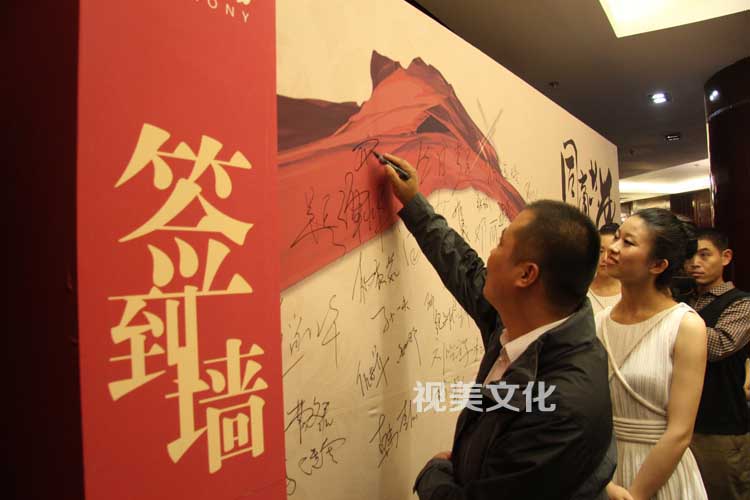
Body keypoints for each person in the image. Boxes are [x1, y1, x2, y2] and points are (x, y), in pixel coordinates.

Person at [382, 154, 615, 500]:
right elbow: (464, 267)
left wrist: (434, 475)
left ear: (526, 275)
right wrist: (415, 203)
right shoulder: (527, 322)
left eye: (501, 242)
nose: (490, 255)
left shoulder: (559, 405)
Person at [595, 208, 708, 500]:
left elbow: (680, 432)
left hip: (660, 473)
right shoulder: (599, 323)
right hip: (606, 472)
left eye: (628, 242)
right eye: (617, 238)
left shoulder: (685, 325)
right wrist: (603, 483)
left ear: (658, 265)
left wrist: (636, 494)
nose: (613, 248)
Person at [683, 228, 750, 500]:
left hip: (721, 428)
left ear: (726, 257)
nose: (695, 263)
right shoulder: (683, 301)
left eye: (704, 255)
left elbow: (718, 346)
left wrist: (670, 316)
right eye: (690, 256)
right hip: (682, 423)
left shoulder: (741, 303)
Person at [588, 223, 622, 315]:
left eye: (613, 252)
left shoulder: (632, 294)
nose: (605, 258)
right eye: (601, 251)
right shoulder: (581, 290)